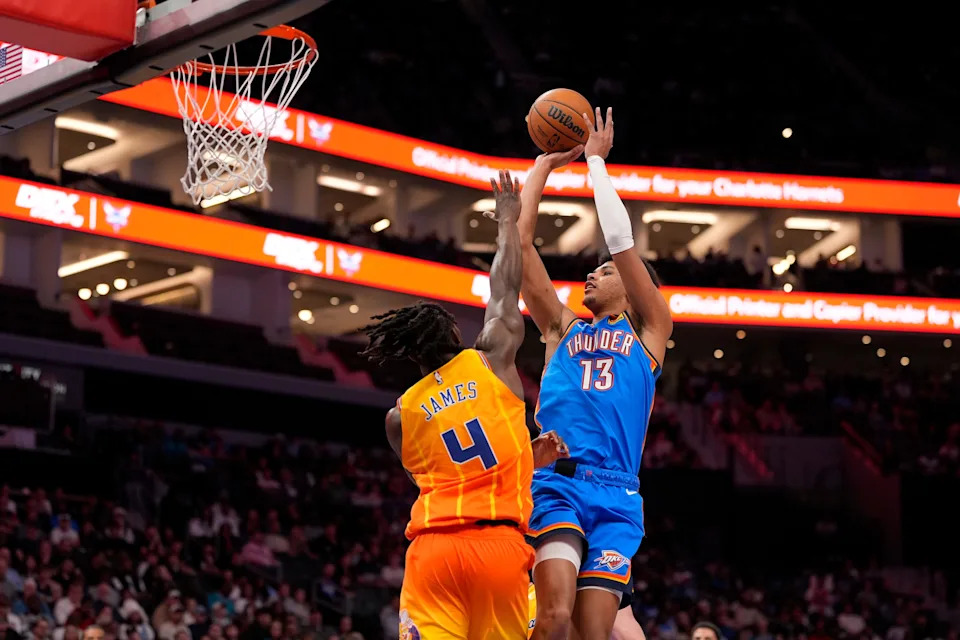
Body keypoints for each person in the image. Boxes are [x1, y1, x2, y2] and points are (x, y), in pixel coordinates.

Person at [361, 170, 569, 640]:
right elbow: (504, 289)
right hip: (499, 545)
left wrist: (522, 453)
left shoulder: (400, 417)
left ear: (410, 353)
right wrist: (505, 223)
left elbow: (441, 474)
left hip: (435, 551)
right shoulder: (491, 358)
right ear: (455, 337)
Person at [518, 108, 673, 640]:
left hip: (619, 496)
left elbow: (622, 242)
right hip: (558, 482)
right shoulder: (562, 328)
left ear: (632, 289)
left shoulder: (651, 332)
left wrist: (597, 166)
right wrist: (542, 167)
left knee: (590, 632)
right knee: (555, 615)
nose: (593, 271)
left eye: (605, 270)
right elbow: (520, 253)